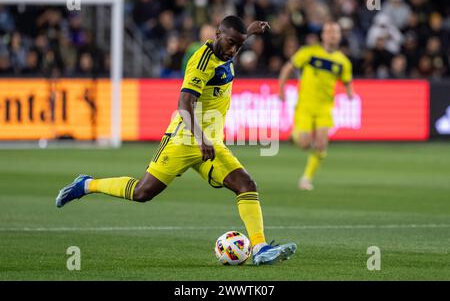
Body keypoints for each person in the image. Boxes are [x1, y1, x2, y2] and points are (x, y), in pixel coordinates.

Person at [56, 16, 296, 265]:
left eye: (239, 44)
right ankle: (86, 185)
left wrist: (250, 32)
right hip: (184, 139)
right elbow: (183, 105)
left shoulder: (227, 49)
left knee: (246, 184)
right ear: (217, 35)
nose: (233, 50)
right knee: (142, 192)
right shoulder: (201, 63)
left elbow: (233, 42)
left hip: (211, 144)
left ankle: (260, 248)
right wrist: (201, 138)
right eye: (231, 43)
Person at [278, 21, 354, 191]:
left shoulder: (343, 62)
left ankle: (306, 178)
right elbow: (287, 68)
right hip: (305, 105)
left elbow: (347, 81)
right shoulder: (309, 53)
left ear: (340, 36)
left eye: (336, 32)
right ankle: (295, 135)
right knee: (305, 144)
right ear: (323, 35)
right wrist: (281, 89)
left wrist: (350, 94)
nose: (333, 35)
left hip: (325, 108)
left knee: (321, 145)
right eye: (329, 32)